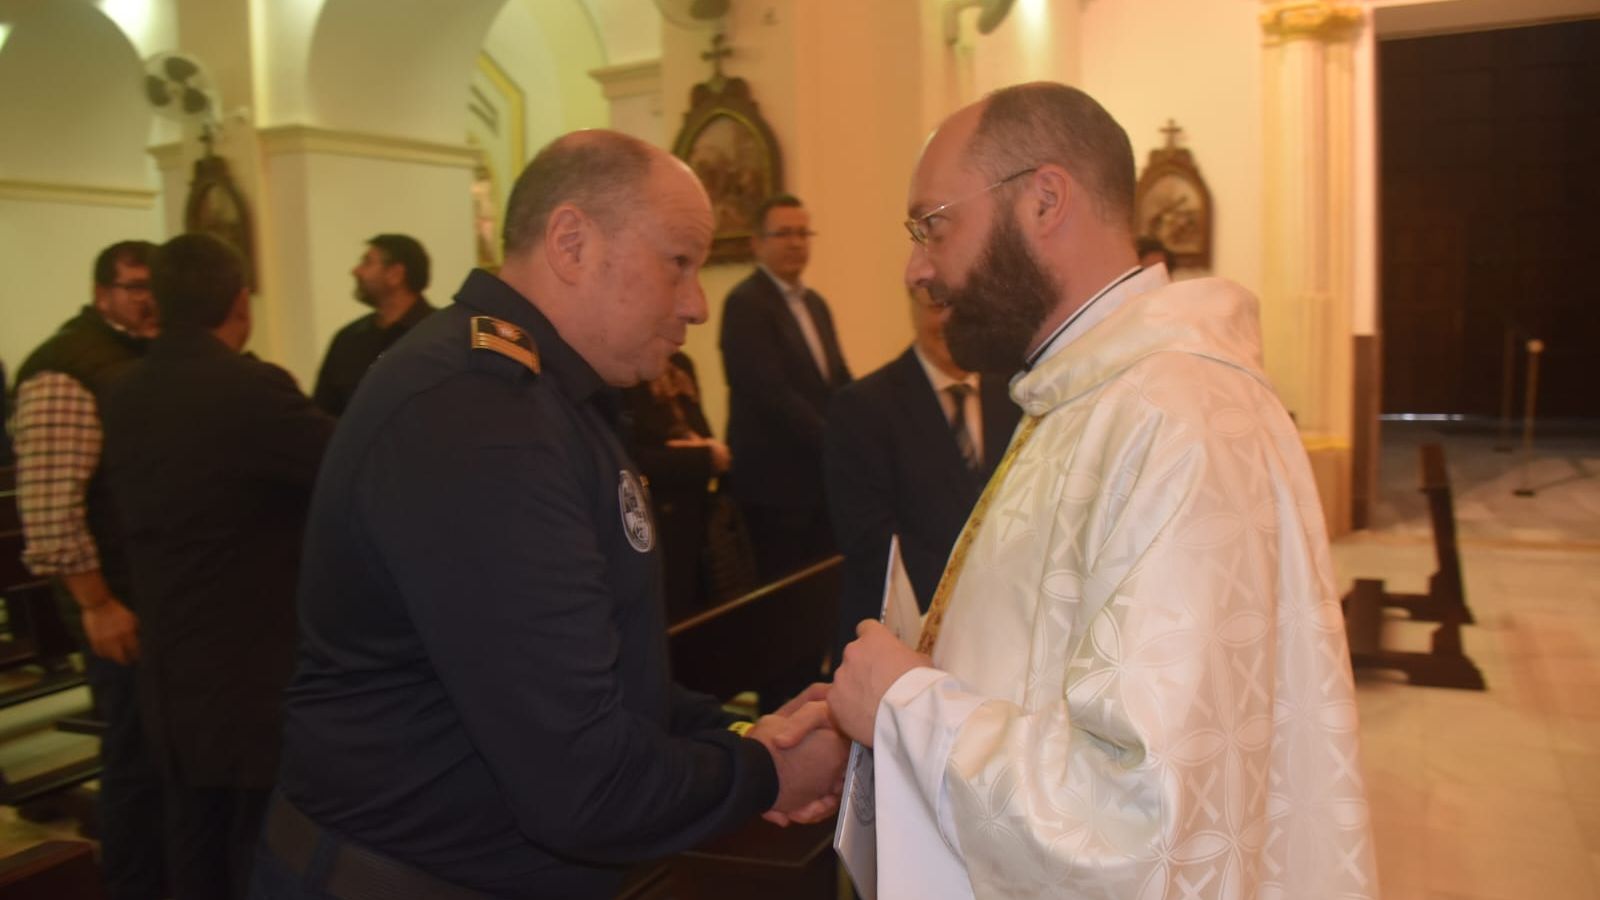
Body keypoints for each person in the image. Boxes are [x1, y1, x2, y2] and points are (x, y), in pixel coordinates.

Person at [253, 130, 848, 900]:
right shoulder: (477, 417)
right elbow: (582, 784)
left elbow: (599, 672)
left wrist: (735, 733)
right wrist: (768, 772)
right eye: (679, 263)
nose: (697, 303)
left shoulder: (548, 400)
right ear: (571, 242)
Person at [825, 83, 1377, 899]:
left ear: (1044, 199)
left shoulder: (1176, 420)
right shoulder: (1087, 398)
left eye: (933, 225)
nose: (918, 267)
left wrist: (906, 706)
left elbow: (1140, 829)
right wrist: (873, 709)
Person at [102, 234, 334, 900]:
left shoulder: (125, 391)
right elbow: (345, 469)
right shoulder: (250, 388)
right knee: (256, 844)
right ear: (240, 302)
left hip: (172, 664)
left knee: (192, 836)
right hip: (250, 666)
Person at [12, 240, 167, 900]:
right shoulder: (63, 370)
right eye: (134, 288)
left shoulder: (135, 356)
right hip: (114, 599)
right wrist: (96, 603)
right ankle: (132, 884)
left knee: (158, 746)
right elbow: (50, 510)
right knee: (133, 752)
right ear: (103, 293)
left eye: (156, 286)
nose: (148, 299)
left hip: (147, 587)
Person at [822, 284, 1019, 663]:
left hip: (1001, 639)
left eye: (964, 306)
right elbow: (872, 543)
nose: (949, 320)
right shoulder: (862, 409)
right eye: (937, 305)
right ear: (912, 305)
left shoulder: (1014, 395)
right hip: (904, 645)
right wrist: (970, 600)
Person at [719, 194, 852, 582]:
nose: (796, 243)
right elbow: (770, 393)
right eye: (783, 234)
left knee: (822, 590)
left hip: (819, 483)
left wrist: (862, 424)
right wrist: (834, 440)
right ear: (757, 243)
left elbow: (839, 379)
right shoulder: (745, 303)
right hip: (773, 486)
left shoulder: (816, 304)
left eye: (802, 233)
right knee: (782, 601)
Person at [619, 350, 739, 622]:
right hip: (655, 523)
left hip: (696, 518)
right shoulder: (621, 372)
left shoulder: (681, 365)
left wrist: (699, 453)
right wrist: (700, 456)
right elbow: (634, 459)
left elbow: (704, 438)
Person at [311, 233, 434, 416]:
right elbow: (324, 414)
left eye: (367, 262)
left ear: (395, 274)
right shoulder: (348, 339)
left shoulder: (439, 335)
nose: (356, 271)